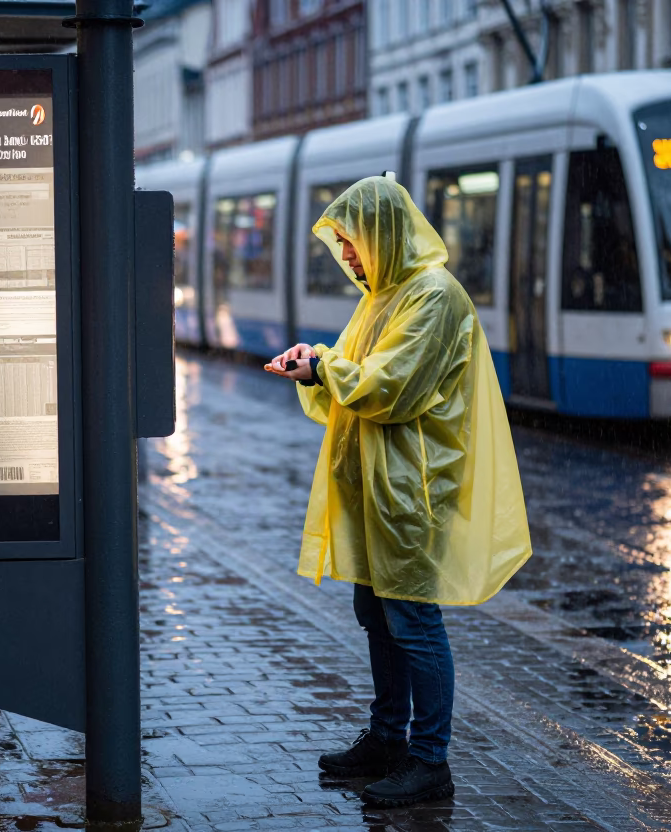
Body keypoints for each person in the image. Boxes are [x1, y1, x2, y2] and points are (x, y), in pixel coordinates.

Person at [265, 176, 532, 807]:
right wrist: (319, 360)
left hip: (415, 489)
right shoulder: (385, 295)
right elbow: (359, 372)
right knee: (378, 613)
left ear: (383, 234)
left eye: (352, 243)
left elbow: (391, 388)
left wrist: (323, 367)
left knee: (413, 618)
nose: (348, 257)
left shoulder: (434, 296)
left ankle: (429, 759)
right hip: (377, 491)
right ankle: (387, 739)